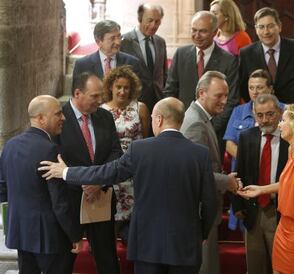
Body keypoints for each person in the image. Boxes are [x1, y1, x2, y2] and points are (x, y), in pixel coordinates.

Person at [39, 97, 218, 274]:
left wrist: (66, 172)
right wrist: (201, 233)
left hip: (147, 245)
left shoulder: (140, 150)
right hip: (186, 244)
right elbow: (211, 202)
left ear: (159, 119)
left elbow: (106, 172)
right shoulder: (200, 154)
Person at [238, 103, 294, 274]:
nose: (279, 124)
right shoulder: (292, 150)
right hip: (284, 227)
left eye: (283, 120)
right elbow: (289, 184)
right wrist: (261, 190)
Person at [0, 95, 82, 274]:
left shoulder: (9, 146)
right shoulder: (50, 149)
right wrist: (75, 234)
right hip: (50, 237)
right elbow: (59, 202)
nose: (64, 118)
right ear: (41, 119)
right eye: (58, 114)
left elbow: (3, 189)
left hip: (20, 233)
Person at [56, 72, 123, 274]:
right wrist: (84, 184)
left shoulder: (104, 116)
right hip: (70, 202)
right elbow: (57, 161)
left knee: (107, 261)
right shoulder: (59, 118)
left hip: (100, 199)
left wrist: (98, 182)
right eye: (94, 96)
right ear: (78, 93)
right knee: (64, 262)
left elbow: (116, 153)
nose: (100, 100)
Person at [180, 71, 240, 274]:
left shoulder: (202, 117)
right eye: (219, 96)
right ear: (202, 93)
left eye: (226, 95)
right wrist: (226, 181)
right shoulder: (195, 123)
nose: (224, 101)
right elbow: (192, 172)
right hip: (198, 209)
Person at [164, 11, 239, 155]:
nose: (197, 35)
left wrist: (208, 126)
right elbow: (170, 92)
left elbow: (231, 100)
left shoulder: (228, 60)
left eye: (203, 31)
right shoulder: (181, 54)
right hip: (181, 129)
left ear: (215, 33)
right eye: (194, 30)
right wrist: (177, 124)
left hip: (214, 133)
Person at [232, 94, 288, 274]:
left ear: (279, 112)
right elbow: (239, 172)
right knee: (255, 267)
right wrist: (238, 205)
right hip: (253, 213)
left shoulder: (290, 139)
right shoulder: (247, 137)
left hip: (280, 211)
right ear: (254, 115)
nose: (265, 120)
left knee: (279, 267)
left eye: (270, 114)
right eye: (260, 115)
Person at [101, 65, 150, 242]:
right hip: (112, 168)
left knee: (134, 220)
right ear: (110, 88)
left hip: (135, 169)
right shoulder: (101, 111)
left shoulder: (140, 108)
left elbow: (146, 138)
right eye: (118, 87)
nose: (122, 91)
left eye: (126, 87)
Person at [239, 7, 294, 103]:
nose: (266, 32)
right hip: (261, 112)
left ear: (279, 26)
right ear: (256, 29)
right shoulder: (246, 54)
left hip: (292, 111)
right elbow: (243, 86)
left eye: (270, 26)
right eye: (261, 27)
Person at [224, 69, 276, 171]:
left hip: (271, 169)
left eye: (259, 88)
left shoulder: (282, 110)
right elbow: (229, 144)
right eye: (251, 88)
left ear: (270, 89)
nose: (254, 92)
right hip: (243, 171)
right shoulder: (238, 111)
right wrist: (248, 161)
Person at [121, 3, 168, 113]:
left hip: (158, 102)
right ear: (140, 19)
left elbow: (164, 73)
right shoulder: (125, 42)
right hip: (134, 103)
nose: (153, 25)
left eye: (157, 21)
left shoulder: (160, 42)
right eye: (150, 20)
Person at [72, 20, 143, 85]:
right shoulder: (82, 65)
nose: (118, 42)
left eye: (119, 37)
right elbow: (77, 94)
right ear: (99, 41)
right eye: (112, 38)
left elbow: (136, 93)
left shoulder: (132, 63)